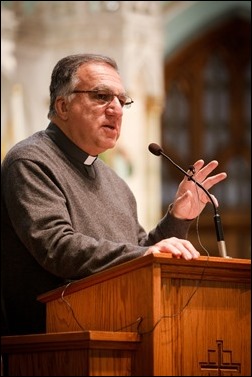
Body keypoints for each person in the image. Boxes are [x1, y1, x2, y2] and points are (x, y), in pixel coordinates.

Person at [1, 53, 227, 336]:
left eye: (122, 100)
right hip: (54, 343)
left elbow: (140, 252)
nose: (116, 110)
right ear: (63, 105)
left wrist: (178, 217)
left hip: (120, 334)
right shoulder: (31, 161)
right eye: (101, 96)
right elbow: (57, 248)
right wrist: (145, 252)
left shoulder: (114, 181)